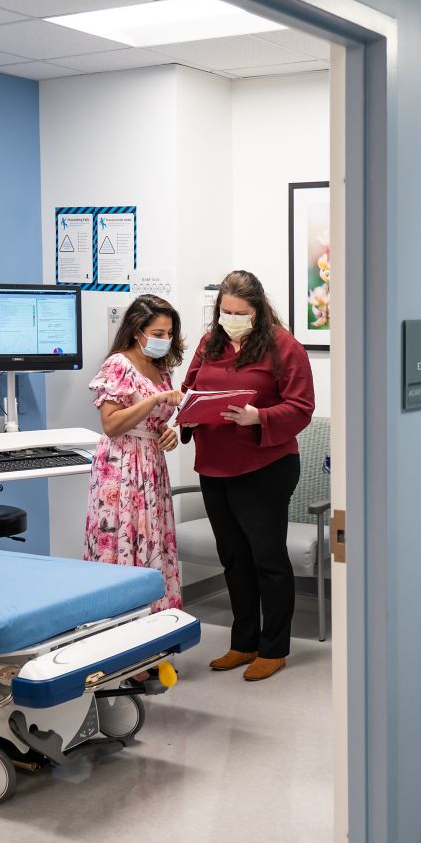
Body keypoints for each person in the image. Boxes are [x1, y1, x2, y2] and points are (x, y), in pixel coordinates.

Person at [181, 270, 314, 681]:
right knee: (234, 558)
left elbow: (302, 406)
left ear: (258, 310)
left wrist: (260, 416)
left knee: (267, 558)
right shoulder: (209, 343)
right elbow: (190, 389)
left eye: (240, 312)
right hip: (214, 465)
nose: (231, 318)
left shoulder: (283, 346)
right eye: (225, 311)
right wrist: (182, 415)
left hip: (264, 467)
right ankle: (242, 642)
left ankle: (273, 648)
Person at [84, 294, 185, 614]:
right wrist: (152, 403)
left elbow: (155, 422)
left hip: (152, 465)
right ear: (136, 331)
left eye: (169, 334)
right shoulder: (118, 365)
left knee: (153, 541)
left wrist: (168, 432)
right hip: (122, 466)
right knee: (124, 542)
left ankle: (154, 635)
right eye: (157, 334)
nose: (165, 340)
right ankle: (121, 634)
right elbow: (111, 424)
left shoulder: (160, 369)